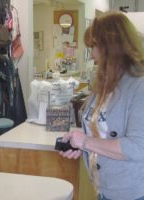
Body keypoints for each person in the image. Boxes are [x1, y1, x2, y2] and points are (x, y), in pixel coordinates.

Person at [58, 11, 144, 200]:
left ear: (110, 47)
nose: (92, 56)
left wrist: (86, 142)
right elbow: (101, 132)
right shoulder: (106, 83)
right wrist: (80, 144)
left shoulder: (139, 86)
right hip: (103, 188)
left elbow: (138, 148)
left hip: (131, 193)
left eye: (94, 47)